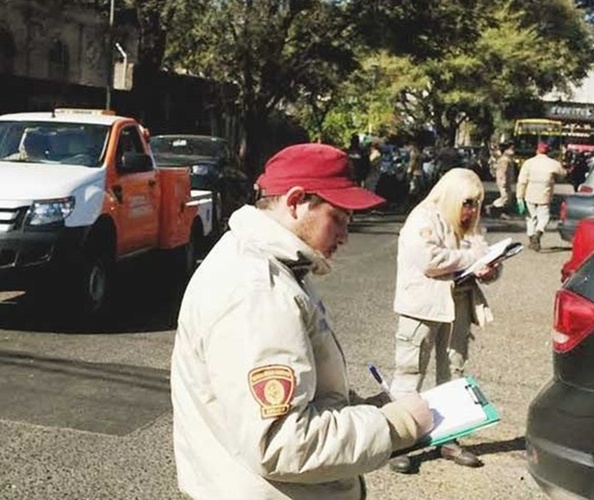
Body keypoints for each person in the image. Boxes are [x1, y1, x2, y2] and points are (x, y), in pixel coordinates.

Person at [170, 143, 435, 499]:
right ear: (295, 201)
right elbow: (282, 442)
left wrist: (362, 407)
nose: (344, 236)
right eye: (337, 219)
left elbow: (301, 392)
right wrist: (397, 424)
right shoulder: (256, 291)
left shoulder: (280, 265)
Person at [388, 167, 500, 474]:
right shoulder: (422, 218)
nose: (472, 210)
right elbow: (430, 261)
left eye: (476, 203)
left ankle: (449, 439)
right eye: (467, 203)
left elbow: (483, 254)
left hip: (458, 305)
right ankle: (399, 443)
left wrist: (490, 268)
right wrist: (472, 260)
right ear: (451, 197)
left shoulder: (470, 223)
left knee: (453, 372)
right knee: (411, 373)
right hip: (422, 307)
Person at [515, 142, 567, 252]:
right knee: (544, 216)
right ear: (548, 152)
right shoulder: (553, 163)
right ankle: (538, 232)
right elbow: (563, 174)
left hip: (529, 194)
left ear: (537, 151)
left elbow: (522, 181)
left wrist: (519, 197)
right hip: (545, 194)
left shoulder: (528, 163)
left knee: (530, 217)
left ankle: (531, 237)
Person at [486, 144, 514, 217]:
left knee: (508, 197)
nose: (513, 151)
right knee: (505, 198)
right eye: (510, 149)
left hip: (506, 181)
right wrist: (503, 181)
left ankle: (501, 212)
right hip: (503, 181)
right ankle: (492, 206)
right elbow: (502, 171)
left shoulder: (507, 159)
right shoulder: (504, 160)